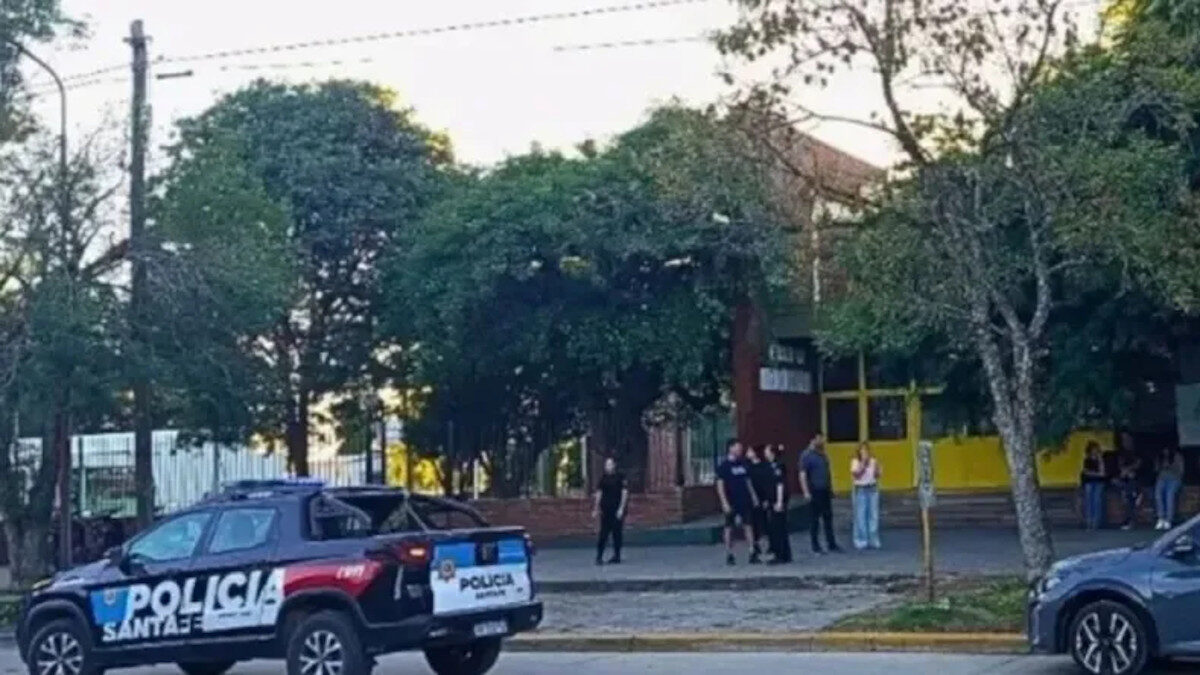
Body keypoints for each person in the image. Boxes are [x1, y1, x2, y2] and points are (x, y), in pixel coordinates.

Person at [716, 439, 758, 565]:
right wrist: (724, 502)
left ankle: (752, 551)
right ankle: (729, 553)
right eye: (737, 448)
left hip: (744, 499)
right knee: (729, 527)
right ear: (731, 448)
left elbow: (748, 481)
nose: (740, 450)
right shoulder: (724, 466)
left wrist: (753, 496)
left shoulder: (743, 463)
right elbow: (720, 485)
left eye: (740, 448)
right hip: (731, 500)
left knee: (748, 525)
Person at [799, 433, 840, 554]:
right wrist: (806, 492)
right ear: (813, 440)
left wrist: (831, 488)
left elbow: (827, 473)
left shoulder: (823, 454)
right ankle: (815, 546)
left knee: (828, 518)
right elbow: (802, 474)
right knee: (814, 519)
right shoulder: (806, 455)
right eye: (820, 439)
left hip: (825, 490)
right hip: (814, 490)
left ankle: (831, 543)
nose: (822, 441)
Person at [593, 457, 628, 565]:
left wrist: (621, 508)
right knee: (603, 534)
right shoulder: (603, 479)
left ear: (614, 465)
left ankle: (617, 556)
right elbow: (599, 494)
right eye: (606, 465)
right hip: (605, 510)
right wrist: (596, 508)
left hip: (616, 510)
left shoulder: (620, 477)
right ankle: (599, 557)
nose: (607, 466)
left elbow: (624, 493)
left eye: (609, 464)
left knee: (617, 533)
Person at [764, 444, 793, 564]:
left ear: (772, 453)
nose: (765, 453)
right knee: (780, 528)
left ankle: (780, 555)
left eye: (767, 451)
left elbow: (780, 484)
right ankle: (786, 554)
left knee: (778, 528)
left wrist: (779, 502)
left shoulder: (777, 466)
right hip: (773, 501)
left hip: (777, 502)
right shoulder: (772, 465)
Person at [850, 441, 882, 550]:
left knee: (873, 515)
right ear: (859, 451)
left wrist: (877, 468)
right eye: (862, 450)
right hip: (860, 489)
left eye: (866, 450)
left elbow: (877, 475)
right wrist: (863, 463)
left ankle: (873, 539)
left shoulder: (873, 461)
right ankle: (861, 540)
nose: (865, 452)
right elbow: (857, 475)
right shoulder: (855, 462)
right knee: (860, 515)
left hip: (872, 488)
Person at [746, 444, 775, 563]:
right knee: (753, 523)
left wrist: (767, 498)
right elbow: (748, 483)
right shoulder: (748, 467)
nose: (747, 453)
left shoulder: (765, 466)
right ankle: (756, 545)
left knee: (766, 522)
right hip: (752, 500)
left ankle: (770, 545)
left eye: (750, 451)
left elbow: (768, 483)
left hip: (763, 498)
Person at [1154, 447, 1184, 531]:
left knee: (1169, 497)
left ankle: (1168, 520)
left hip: (1174, 479)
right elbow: (1156, 469)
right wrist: (1161, 466)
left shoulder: (1177, 456)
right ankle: (1161, 518)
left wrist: (1170, 467)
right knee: (1158, 496)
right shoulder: (1160, 457)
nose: (1165, 451)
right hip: (1161, 479)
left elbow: (1181, 471)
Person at [1079, 442, 1107, 530]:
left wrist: (1100, 459)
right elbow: (1086, 472)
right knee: (1089, 502)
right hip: (1089, 482)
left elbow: (1103, 472)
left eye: (1096, 449)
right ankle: (1089, 521)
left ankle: (1095, 522)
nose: (1095, 451)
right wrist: (1097, 474)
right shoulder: (1087, 460)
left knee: (1097, 501)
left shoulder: (1100, 460)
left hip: (1098, 483)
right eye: (1093, 449)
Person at [1116, 451, 1142, 530]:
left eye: (1131, 473)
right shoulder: (1126, 482)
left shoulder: (1135, 482)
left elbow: (1140, 491)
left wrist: (1139, 498)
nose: (1130, 474)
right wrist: (1123, 496)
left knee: (1132, 510)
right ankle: (1128, 522)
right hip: (1128, 496)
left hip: (1134, 497)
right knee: (1127, 509)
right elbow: (1123, 490)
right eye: (1129, 473)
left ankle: (1131, 523)